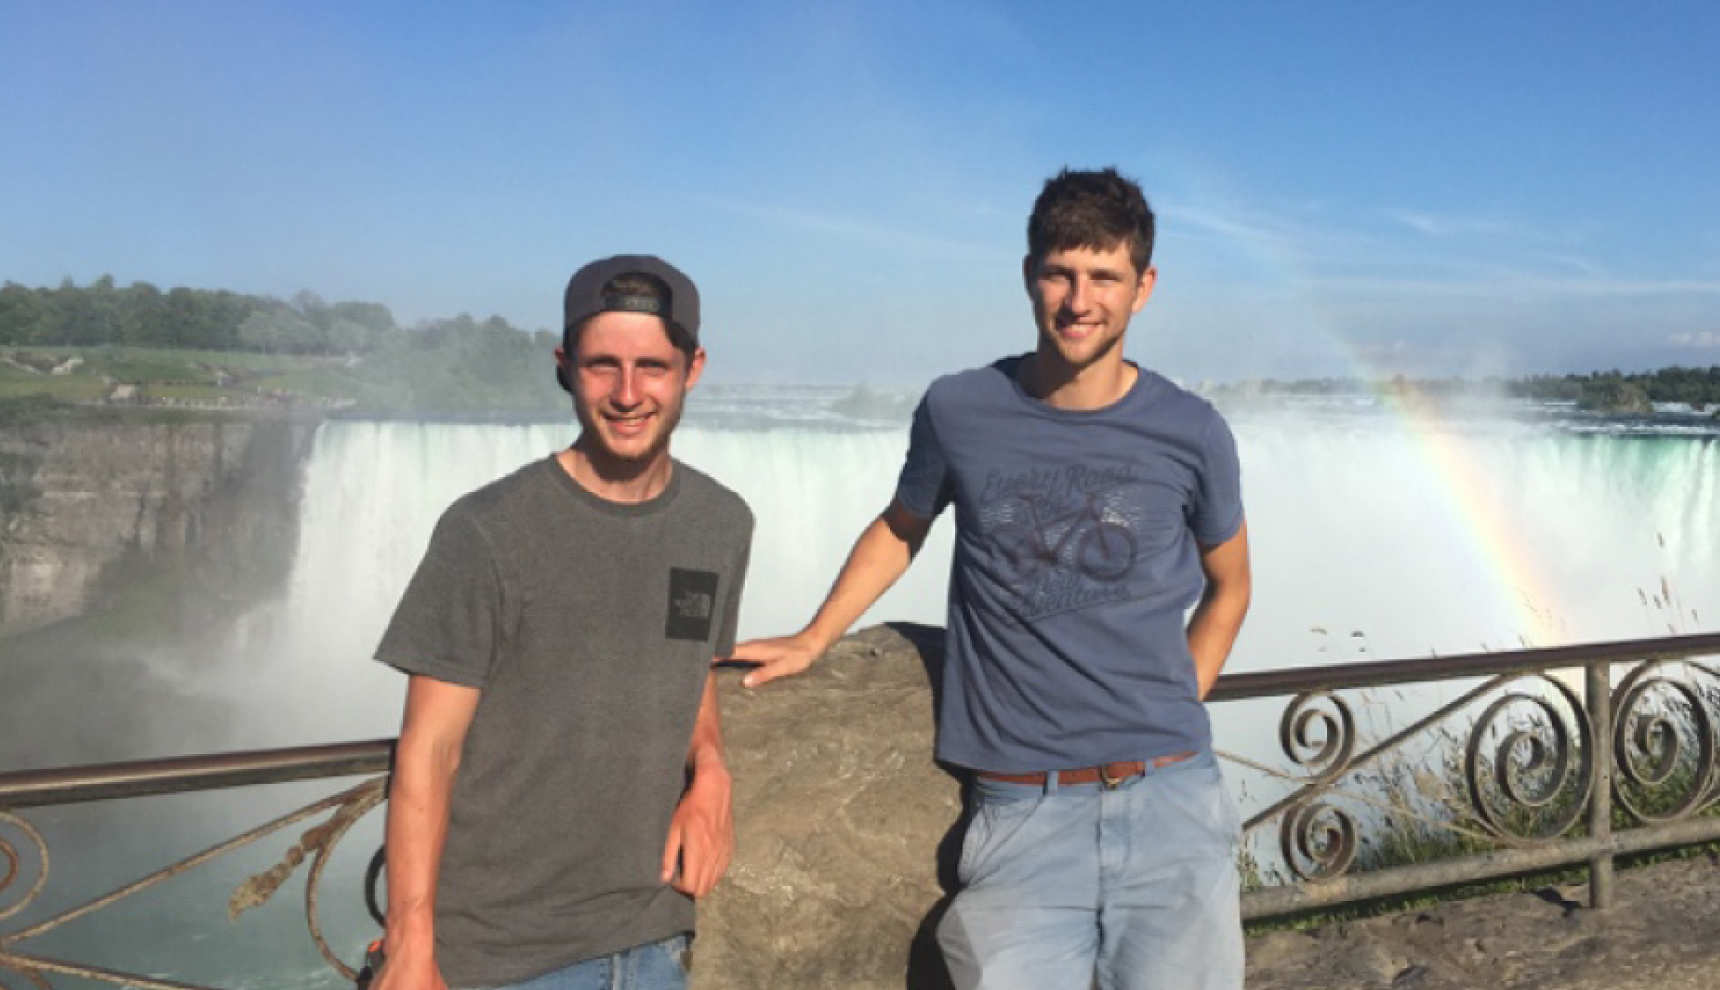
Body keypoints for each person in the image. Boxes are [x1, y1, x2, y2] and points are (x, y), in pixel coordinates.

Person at [734, 167, 1251, 988]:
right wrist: (814, 636)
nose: (1079, 300)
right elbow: (902, 527)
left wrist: (1174, 706)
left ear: (1143, 287)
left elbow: (1231, 585)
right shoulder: (960, 408)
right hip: (1022, 813)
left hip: (1173, 805)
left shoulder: (1192, 432)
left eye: (1105, 277)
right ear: (1028, 276)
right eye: (1060, 273)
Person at [370, 255, 753, 990]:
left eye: (653, 367)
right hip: (500, 956)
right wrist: (411, 942)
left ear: (692, 368)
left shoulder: (721, 523)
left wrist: (711, 768)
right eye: (602, 366)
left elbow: (692, 665)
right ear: (565, 367)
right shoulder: (487, 531)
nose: (629, 393)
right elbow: (430, 748)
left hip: (653, 937)